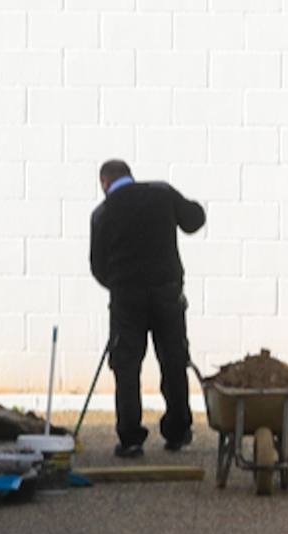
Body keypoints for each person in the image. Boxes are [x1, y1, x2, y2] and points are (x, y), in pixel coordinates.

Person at [89, 159, 206, 458]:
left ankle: (130, 438)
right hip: (167, 293)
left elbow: (98, 265)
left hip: (127, 299)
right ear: (130, 175)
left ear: (104, 183)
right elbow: (194, 220)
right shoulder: (162, 193)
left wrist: (119, 286)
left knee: (127, 366)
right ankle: (177, 431)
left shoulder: (102, 214)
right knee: (173, 359)